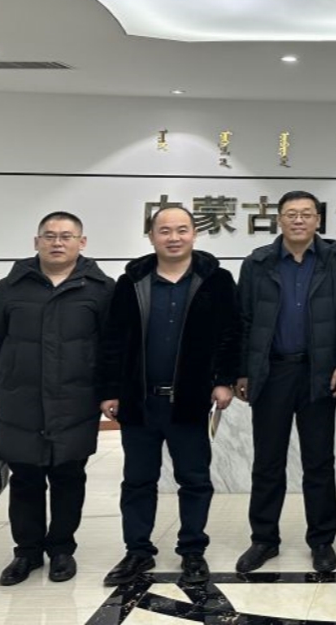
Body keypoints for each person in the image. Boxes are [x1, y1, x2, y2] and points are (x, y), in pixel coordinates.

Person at [98, 206, 240, 586]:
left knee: (194, 479)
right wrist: (110, 390)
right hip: (139, 401)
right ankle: (137, 551)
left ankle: (192, 551)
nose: (173, 238)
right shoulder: (132, 282)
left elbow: (231, 333)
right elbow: (113, 340)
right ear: (151, 236)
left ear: (194, 234)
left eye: (181, 230)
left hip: (190, 401)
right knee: (137, 481)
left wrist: (224, 380)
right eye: (164, 231)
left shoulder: (216, 280)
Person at [0, 212, 114, 586]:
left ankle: (62, 549)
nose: (57, 242)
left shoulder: (101, 288)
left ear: (82, 242)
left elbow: (112, 349)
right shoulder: (10, 287)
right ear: (36, 242)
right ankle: (27, 552)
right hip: (19, 401)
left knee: (69, 477)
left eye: (66, 236)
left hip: (76, 401)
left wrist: (110, 393)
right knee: (25, 479)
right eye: (49, 236)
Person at [234, 191, 336, 574]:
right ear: (279, 220)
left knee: (319, 461)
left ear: (318, 220)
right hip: (271, 373)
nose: (299, 220)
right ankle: (263, 539)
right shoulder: (257, 262)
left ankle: (321, 540)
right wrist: (243, 370)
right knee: (267, 460)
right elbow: (243, 320)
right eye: (291, 214)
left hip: (318, 372)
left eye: (306, 214)